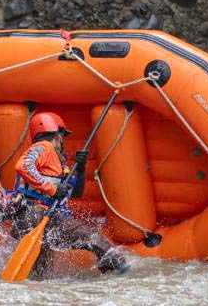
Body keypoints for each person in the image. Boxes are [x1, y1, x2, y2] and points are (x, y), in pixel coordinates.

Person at [9, 111, 127, 275]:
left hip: (39, 219)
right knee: (98, 242)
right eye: (62, 136)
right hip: (37, 214)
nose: (63, 141)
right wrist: (53, 189)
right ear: (56, 133)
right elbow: (23, 166)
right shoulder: (44, 147)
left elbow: (76, 193)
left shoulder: (56, 163)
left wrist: (81, 170)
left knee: (42, 275)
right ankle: (121, 276)